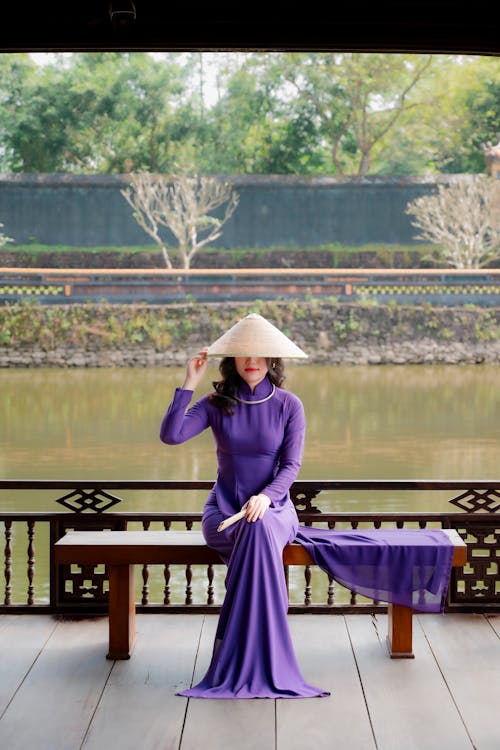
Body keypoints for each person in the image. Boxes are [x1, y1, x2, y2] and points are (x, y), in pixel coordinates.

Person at [159, 313, 330, 699]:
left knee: (259, 527)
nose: (251, 360)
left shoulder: (290, 405)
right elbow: (171, 436)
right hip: (224, 512)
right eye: (242, 354)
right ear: (232, 361)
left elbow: (291, 466)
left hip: (276, 509)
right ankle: (265, 655)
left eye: (258, 354)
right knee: (251, 531)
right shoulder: (216, 402)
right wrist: (189, 382)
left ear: (272, 359)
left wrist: (266, 497)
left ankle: (242, 658)